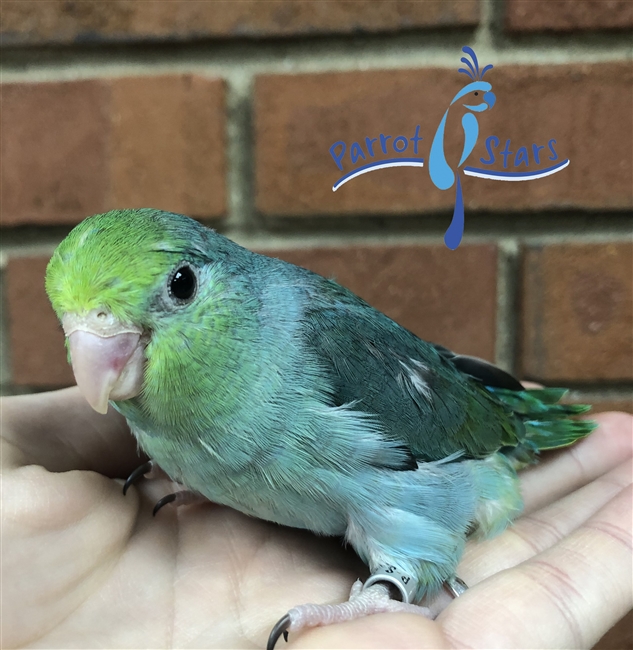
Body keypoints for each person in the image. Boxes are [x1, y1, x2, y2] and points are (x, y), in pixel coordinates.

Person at [1, 387, 631, 648]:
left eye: (179, 288)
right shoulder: (147, 406)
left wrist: (390, 591)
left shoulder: (314, 362)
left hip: (466, 454)